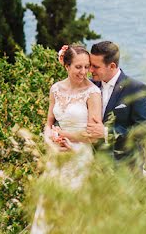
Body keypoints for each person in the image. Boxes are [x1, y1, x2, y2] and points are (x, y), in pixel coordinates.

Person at [31, 45, 102, 233]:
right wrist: (50, 140)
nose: (84, 72)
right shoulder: (55, 89)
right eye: (78, 67)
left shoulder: (93, 93)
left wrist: (65, 136)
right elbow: (48, 124)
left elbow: (94, 135)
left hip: (79, 157)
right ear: (67, 66)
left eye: (87, 67)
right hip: (58, 155)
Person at [85, 40, 146, 166]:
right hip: (93, 165)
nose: (90, 70)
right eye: (90, 65)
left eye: (96, 67)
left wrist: (106, 132)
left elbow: (143, 129)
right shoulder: (90, 85)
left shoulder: (135, 88)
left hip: (124, 167)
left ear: (112, 66)